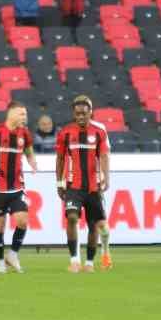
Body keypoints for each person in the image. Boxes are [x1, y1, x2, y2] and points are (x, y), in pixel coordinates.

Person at [0, 102, 38, 273]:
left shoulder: (25, 133)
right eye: (21, 114)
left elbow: (29, 152)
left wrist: (32, 162)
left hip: (17, 187)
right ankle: (0, 262)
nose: (24, 117)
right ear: (10, 113)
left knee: (23, 221)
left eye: (25, 114)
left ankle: (12, 254)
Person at [56, 95, 110, 274]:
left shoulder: (99, 132)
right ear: (73, 113)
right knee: (72, 217)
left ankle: (90, 262)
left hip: (94, 187)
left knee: (95, 225)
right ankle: (74, 260)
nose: (80, 117)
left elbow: (104, 156)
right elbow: (60, 158)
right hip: (73, 186)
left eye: (84, 113)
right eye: (77, 113)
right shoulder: (65, 133)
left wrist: (106, 177)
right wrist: (59, 182)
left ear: (90, 113)